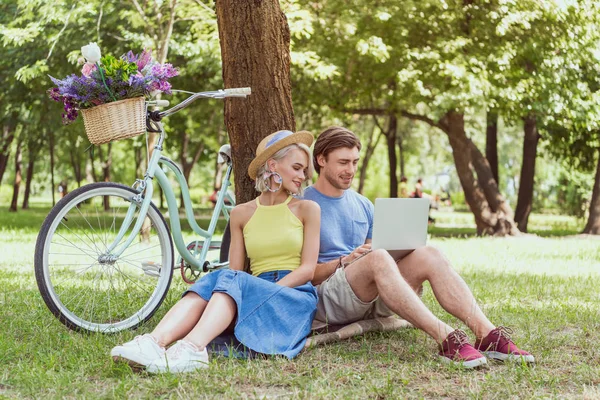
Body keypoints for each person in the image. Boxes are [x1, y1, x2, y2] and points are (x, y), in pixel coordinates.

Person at [303, 126, 534, 368]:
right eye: (343, 162)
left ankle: (487, 334)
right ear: (321, 159)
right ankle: (446, 338)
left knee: (429, 254)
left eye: (354, 162)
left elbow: (374, 253)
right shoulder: (302, 204)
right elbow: (302, 273)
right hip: (330, 296)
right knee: (377, 258)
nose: (350, 170)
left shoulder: (363, 204)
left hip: (370, 294)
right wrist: (344, 261)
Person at [111, 130, 321, 373]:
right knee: (219, 278)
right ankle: (154, 343)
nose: (302, 176)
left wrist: (265, 293)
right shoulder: (241, 213)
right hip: (252, 288)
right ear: (273, 164)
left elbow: (308, 269)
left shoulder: (307, 209)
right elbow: (234, 272)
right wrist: (253, 292)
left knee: (233, 281)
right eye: (297, 168)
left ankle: (192, 347)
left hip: (292, 296)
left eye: (304, 170)